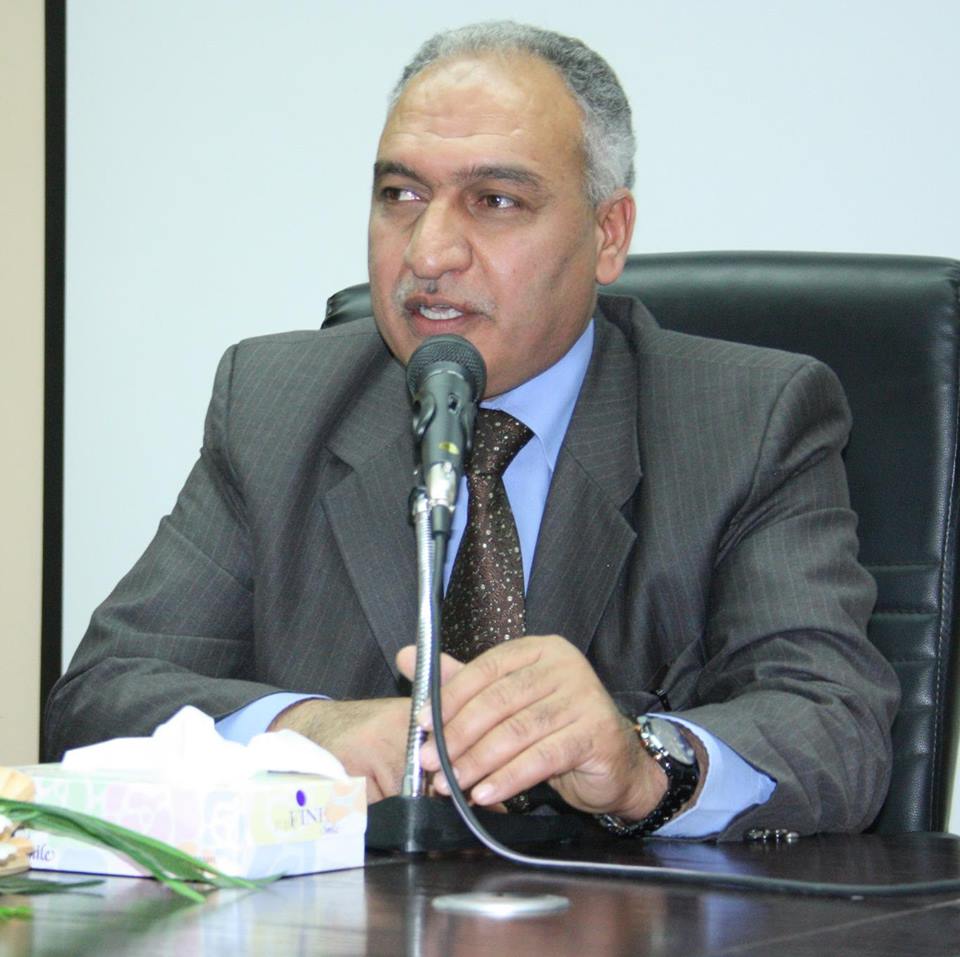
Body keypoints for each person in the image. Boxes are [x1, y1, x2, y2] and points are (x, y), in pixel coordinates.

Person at [45, 21, 899, 840]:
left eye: (494, 200)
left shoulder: (749, 420)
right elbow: (102, 695)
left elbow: (836, 728)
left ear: (608, 235)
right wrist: (306, 730)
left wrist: (644, 765)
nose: (428, 252)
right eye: (401, 195)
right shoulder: (273, 405)